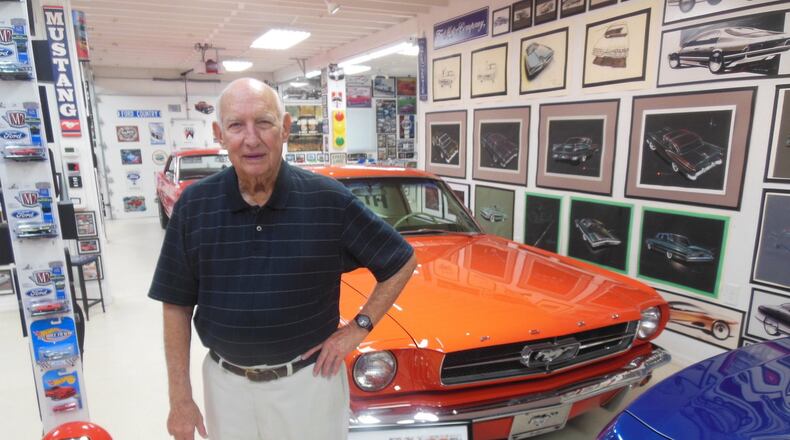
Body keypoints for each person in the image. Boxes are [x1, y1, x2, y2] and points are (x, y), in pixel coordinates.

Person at [148, 78, 416, 440]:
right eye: (236, 125)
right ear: (219, 134)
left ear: (285, 128)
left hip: (309, 385)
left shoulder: (328, 200)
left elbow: (400, 260)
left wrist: (359, 328)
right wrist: (180, 398)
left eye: (264, 122)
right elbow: (175, 305)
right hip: (226, 389)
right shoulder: (195, 206)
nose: (251, 138)